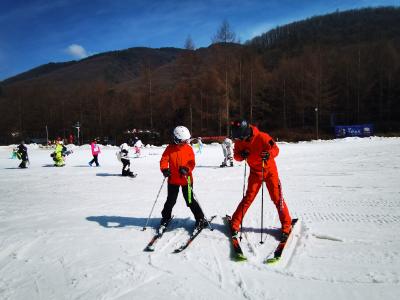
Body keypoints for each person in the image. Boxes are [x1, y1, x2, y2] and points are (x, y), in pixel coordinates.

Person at [229, 120, 292, 241]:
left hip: (269, 172)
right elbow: (236, 156)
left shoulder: (262, 137)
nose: (239, 140)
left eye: (240, 137)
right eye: (237, 138)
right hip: (255, 173)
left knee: (277, 198)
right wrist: (242, 155)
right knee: (248, 198)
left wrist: (269, 154)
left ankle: (286, 225)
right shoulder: (239, 141)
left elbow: (276, 149)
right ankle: (235, 223)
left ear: (246, 132)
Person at [159, 126, 207, 234]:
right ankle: (165, 217)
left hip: (187, 180)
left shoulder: (188, 148)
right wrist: (164, 169)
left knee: (190, 200)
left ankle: (200, 219)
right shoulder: (169, 149)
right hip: (173, 180)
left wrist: (187, 169)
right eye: (182, 141)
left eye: (186, 141)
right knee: (170, 200)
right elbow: (163, 160)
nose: (185, 143)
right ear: (176, 139)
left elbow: (192, 162)